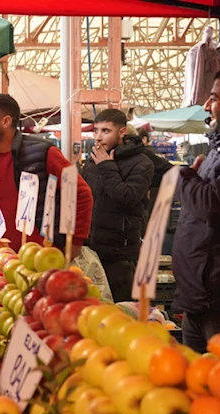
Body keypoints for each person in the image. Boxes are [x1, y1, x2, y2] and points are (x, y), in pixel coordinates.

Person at [173, 63, 220, 353]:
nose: (206, 106)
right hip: (202, 301)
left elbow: (212, 204)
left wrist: (183, 177)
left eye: (215, 98)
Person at [0, 94, 93, 257]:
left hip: (44, 258)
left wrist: (74, 243)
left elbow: (80, 194)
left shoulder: (46, 152)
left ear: (6, 121)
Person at [81, 109, 154, 302]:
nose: (98, 137)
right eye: (96, 130)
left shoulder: (142, 163)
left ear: (122, 132)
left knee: (120, 308)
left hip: (120, 254)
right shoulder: (93, 160)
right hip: (91, 249)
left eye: (106, 131)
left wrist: (107, 167)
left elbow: (128, 197)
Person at [137, 127, 174, 232]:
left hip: (153, 193)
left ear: (144, 139)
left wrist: (150, 186)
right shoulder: (155, 152)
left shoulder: (146, 153)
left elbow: (168, 168)